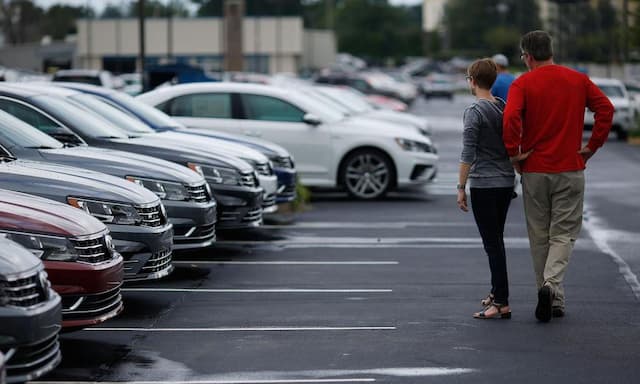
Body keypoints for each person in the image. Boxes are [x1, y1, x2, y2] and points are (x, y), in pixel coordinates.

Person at [503, 30, 614, 323]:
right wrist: (591, 147)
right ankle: (553, 290)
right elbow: (606, 108)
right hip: (570, 167)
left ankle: (548, 291)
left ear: (527, 56)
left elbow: (511, 117)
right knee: (563, 233)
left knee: (539, 235)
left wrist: (514, 153)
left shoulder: (523, 83)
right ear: (551, 52)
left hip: (535, 169)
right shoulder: (577, 79)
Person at [457, 58, 516, 320]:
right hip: (505, 182)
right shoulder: (502, 106)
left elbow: (468, 153)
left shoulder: (474, 112)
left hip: (484, 184)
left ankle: (501, 302)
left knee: (492, 244)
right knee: (497, 240)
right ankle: (496, 291)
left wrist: (460, 187)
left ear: (472, 80)